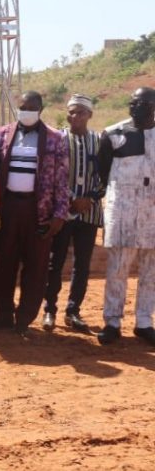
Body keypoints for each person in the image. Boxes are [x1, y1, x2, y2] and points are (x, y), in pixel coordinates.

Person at [0, 91, 69, 336]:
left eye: (32, 107)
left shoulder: (56, 138)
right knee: (4, 263)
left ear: (41, 109)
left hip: (38, 210)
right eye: (22, 107)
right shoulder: (1, 134)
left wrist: (60, 213)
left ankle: (25, 319)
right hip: (8, 208)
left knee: (36, 265)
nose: (26, 111)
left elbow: (62, 179)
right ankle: (2, 315)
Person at [94, 87, 155, 347]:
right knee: (117, 269)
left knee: (151, 271)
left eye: (141, 103)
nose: (135, 107)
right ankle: (113, 322)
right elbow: (103, 172)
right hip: (122, 211)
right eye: (132, 102)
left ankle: (144, 322)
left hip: (152, 213)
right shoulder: (112, 134)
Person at [44, 94, 103, 333]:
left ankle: (73, 311)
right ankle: (50, 310)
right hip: (62, 210)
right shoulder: (57, 139)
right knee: (54, 262)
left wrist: (89, 197)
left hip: (89, 211)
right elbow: (50, 173)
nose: (74, 116)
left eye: (80, 112)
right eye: (71, 111)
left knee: (82, 264)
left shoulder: (100, 141)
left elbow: (107, 173)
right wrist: (69, 199)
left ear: (89, 115)